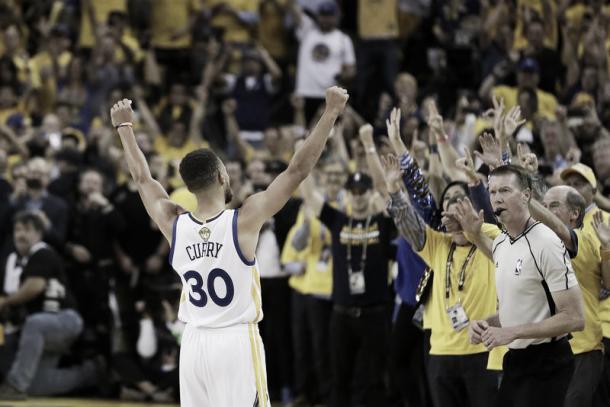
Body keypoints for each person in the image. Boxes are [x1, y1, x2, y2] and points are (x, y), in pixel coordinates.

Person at [109, 86, 349, 407]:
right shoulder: (243, 220)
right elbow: (297, 171)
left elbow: (142, 179)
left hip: (193, 343)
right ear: (222, 176)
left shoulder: (173, 223)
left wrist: (124, 128)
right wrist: (330, 112)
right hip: (235, 341)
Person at [458, 165, 584, 407]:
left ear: (526, 195)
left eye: (505, 190)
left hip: (548, 363)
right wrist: (487, 324)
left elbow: (575, 318)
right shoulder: (502, 242)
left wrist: (512, 332)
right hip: (516, 360)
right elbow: (521, 306)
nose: (497, 198)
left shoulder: (547, 242)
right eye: (492, 191)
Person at [383, 154, 500, 407]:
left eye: (462, 202)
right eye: (450, 202)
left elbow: (489, 229)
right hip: (441, 354)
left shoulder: (489, 234)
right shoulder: (438, 243)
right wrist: (394, 190)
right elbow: (410, 225)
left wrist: (469, 227)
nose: (455, 208)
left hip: (483, 354)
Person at [0, 211, 98, 399]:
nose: (20, 234)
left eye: (27, 230)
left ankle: (14, 385)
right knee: (35, 385)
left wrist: (6, 302)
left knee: (34, 324)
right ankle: (90, 373)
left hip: (64, 320)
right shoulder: (17, 261)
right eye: (17, 230)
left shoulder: (42, 252)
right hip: (42, 332)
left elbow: (35, 286)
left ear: (38, 234)